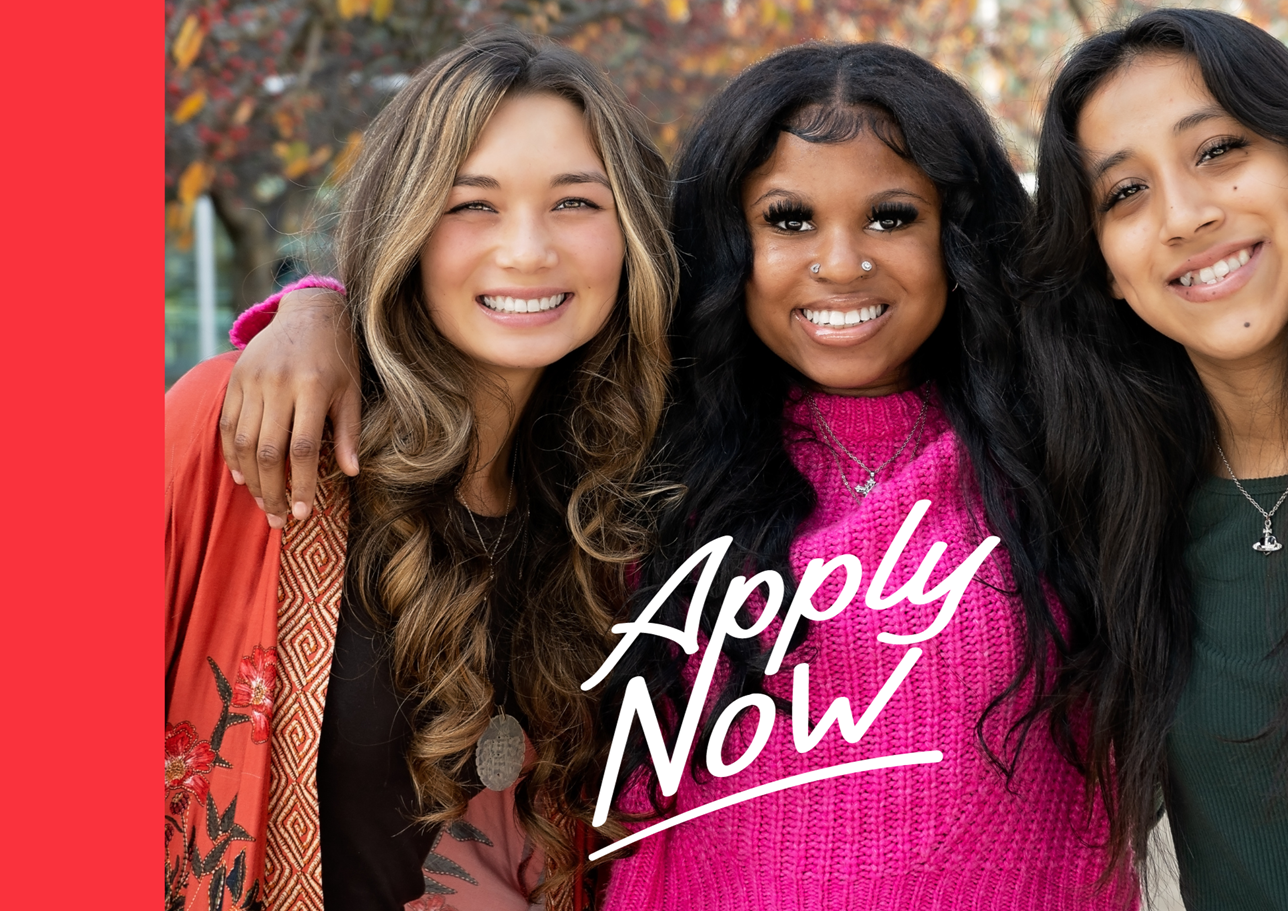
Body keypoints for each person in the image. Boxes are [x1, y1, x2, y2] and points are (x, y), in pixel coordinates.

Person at [227, 43, 1136, 908]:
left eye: (892, 216)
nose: (840, 262)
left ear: (962, 233)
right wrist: (322, 305)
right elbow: (486, 348)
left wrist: (319, 309)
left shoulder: (1080, 443)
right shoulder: (638, 455)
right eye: (787, 220)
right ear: (727, 244)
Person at [164, 29, 676, 911]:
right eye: (471, 204)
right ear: (404, 221)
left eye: (576, 204)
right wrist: (317, 303)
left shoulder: (625, 503)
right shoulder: (245, 432)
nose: (527, 250)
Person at [1021, 9, 1288, 908]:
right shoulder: (1104, 524)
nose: (1186, 215)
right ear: (1106, 268)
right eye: (1125, 194)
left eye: (1218, 150)